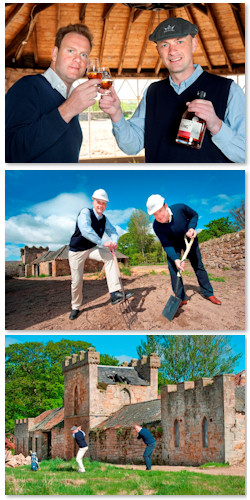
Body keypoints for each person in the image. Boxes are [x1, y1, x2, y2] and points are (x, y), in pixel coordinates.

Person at [99, 17, 245, 163]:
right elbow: (132, 147)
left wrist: (216, 125)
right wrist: (117, 114)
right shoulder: (152, 92)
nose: (172, 51)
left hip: (209, 184)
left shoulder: (229, 90)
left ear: (194, 44)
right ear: (158, 51)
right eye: (164, 45)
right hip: (161, 184)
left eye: (179, 41)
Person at [5, 23, 102, 163]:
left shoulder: (69, 99)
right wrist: (67, 110)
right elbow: (9, 153)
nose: (78, 59)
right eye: (70, 51)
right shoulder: (27, 87)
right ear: (54, 54)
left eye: (83, 54)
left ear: (87, 63)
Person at [68, 188, 133, 320]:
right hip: (76, 251)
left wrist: (114, 242)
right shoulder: (85, 212)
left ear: (106, 205)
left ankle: (114, 294)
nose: (101, 205)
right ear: (93, 202)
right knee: (77, 281)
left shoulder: (104, 219)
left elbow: (113, 231)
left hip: (91, 248)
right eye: (99, 202)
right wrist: (103, 242)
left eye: (104, 203)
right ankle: (75, 307)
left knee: (109, 257)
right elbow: (85, 230)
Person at [146, 194, 221, 306]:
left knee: (198, 265)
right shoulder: (156, 226)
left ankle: (209, 293)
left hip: (188, 238)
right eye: (155, 214)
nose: (159, 216)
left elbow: (194, 215)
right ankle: (180, 297)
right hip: (172, 244)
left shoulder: (180, 208)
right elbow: (166, 244)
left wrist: (191, 228)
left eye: (160, 211)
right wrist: (176, 259)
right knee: (173, 268)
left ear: (165, 206)